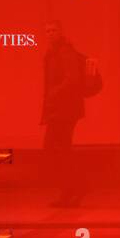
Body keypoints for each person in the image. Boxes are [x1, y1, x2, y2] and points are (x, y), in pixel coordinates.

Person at [41, 20, 88, 149]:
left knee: (54, 146)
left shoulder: (66, 51)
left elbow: (72, 79)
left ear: (61, 32)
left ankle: (61, 168)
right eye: (47, 31)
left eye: (54, 30)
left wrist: (54, 93)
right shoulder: (52, 52)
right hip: (60, 107)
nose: (50, 33)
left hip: (65, 108)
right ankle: (63, 168)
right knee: (60, 145)